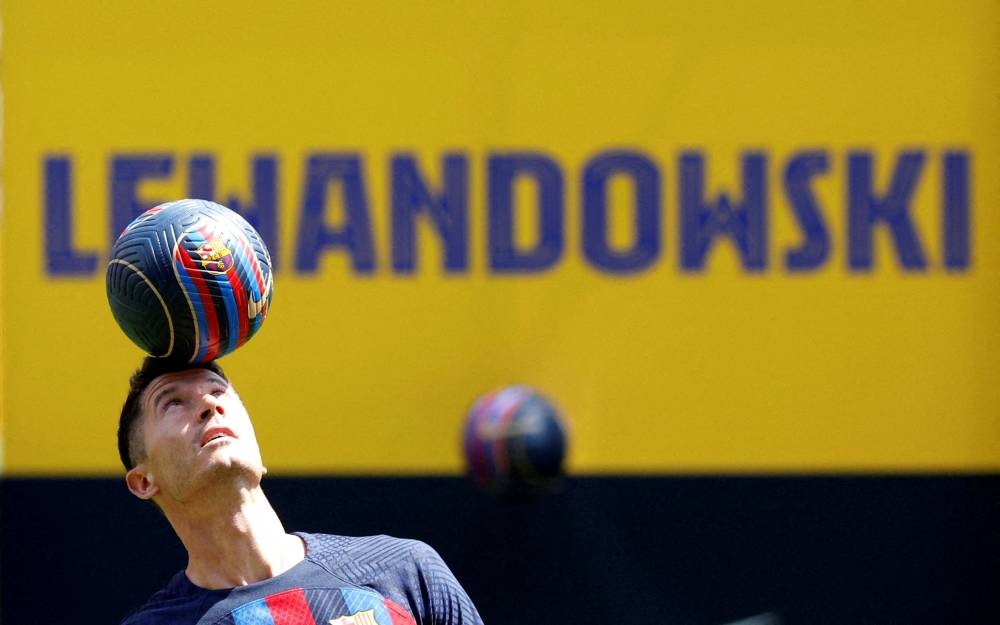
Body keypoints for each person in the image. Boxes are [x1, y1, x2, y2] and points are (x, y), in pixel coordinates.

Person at [117, 356, 484, 625]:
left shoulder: (405, 570)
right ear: (144, 481)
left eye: (218, 391)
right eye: (174, 403)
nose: (210, 405)